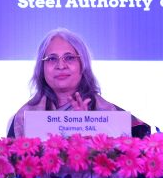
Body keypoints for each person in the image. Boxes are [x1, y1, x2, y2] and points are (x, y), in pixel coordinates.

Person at [8, 27, 150, 138]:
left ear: (83, 64)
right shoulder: (24, 118)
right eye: (52, 59)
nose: (61, 66)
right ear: (42, 67)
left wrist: (90, 126)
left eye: (69, 58)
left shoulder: (112, 115)